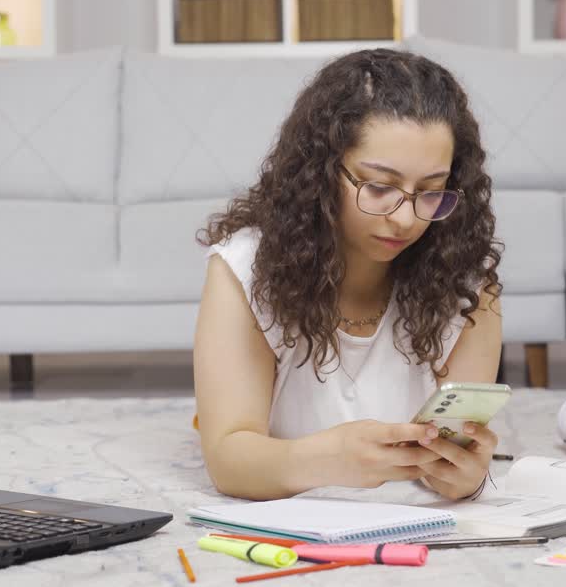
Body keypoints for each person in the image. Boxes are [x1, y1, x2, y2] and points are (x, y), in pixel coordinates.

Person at [193, 48, 503, 501]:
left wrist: (465, 475)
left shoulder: (468, 287)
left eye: (431, 191)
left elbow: (457, 453)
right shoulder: (241, 269)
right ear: (320, 173)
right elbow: (229, 462)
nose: (405, 219)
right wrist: (331, 458)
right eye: (379, 187)